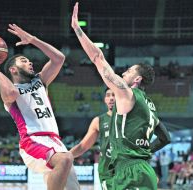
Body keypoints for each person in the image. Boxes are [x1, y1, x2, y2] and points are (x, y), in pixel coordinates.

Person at [71, 3, 171, 189]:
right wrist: (146, 152)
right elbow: (165, 137)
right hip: (145, 171)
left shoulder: (127, 93)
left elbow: (98, 58)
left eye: (130, 70)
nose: (125, 71)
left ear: (137, 80)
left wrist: (77, 30)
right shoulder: (150, 106)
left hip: (127, 172)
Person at [0, 24, 80, 190]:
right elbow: (10, 92)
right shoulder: (11, 91)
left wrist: (32, 40)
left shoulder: (40, 82)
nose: (30, 62)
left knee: (73, 187)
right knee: (66, 159)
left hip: (55, 142)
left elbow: (59, 58)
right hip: (33, 141)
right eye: (24, 61)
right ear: (13, 69)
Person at [70, 88, 115, 190]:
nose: (111, 98)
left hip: (126, 168)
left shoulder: (129, 118)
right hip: (107, 170)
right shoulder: (98, 121)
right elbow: (83, 146)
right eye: (108, 95)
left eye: (114, 95)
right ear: (104, 99)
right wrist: (67, 156)